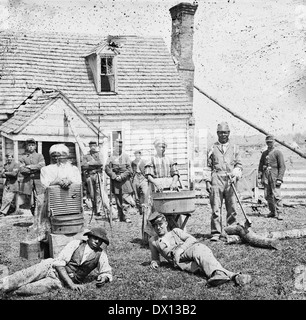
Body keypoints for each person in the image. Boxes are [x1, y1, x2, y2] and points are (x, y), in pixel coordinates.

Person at [148, 212, 252, 287]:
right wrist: (154, 262)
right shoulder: (154, 241)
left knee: (201, 258)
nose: (158, 228)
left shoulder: (175, 231)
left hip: (187, 251)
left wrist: (181, 249)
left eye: (160, 224)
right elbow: (155, 258)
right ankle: (235, 276)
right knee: (201, 257)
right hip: (178, 260)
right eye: (155, 226)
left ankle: (232, 276)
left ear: (166, 223)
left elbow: (191, 239)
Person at [0, 227, 112, 296]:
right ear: (89, 237)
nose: (97, 241)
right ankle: (3, 285)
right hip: (50, 267)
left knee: (28, 290)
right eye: (95, 238)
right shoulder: (76, 244)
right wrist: (72, 284)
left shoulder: (100, 254)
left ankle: (11, 292)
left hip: (60, 281)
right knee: (25, 275)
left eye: (100, 240)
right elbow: (59, 264)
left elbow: (106, 271)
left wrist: (104, 278)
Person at [204, 122, 243, 242]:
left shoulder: (235, 147)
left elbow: (239, 164)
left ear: (229, 133)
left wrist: (235, 174)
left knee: (232, 207)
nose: (223, 135)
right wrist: (207, 181)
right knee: (216, 208)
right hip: (216, 178)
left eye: (225, 132)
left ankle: (231, 231)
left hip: (231, 180)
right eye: (220, 133)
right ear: (217, 134)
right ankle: (216, 232)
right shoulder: (212, 148)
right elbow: (207, 166)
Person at [143, 137, 181, 238]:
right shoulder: (151, 160)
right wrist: (156, 182)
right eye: (160, 147)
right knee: (155, 210)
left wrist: (174, 182)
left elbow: (175, 173)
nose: (162, 149)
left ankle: (174, 233)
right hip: (156, 187)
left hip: (169, 187)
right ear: (156, 147)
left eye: (164, 147)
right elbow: (148, 175)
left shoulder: (169, 159)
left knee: (172, 209)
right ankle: (154, 235)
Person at [105, 139, 135, 223]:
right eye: (117, 146)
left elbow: (129, 170)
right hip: (115, 181)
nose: (119, 148)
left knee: (125, 199)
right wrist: (114, 176)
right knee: (118, 199)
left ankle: (126, 216)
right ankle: (120, 216)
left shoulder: (126, 156)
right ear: (114, 147)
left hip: (125, 181)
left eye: (120, 146)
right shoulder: (111, 157)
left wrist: (121, 176)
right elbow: (107, 169)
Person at [258, 135, 286, 220]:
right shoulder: (264, 153)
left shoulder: (278, 153)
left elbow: (282, 166)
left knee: (277, 195)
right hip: (266, 177)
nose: (269, 143)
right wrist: (260, 175)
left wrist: (279, 179)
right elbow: (261, 164)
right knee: (267, 195)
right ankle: (272, 212)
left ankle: (280, 212)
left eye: (271, 142)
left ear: (274, 142)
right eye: (268, 142)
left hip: (275, 177)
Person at [19, 138, 46, 216]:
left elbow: (42, 165)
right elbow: (22, 169)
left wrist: (29, 167)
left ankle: (41, 214)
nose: (31, 147)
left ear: (35, 146)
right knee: (29, 199)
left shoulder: (39, 156)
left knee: (40, 197)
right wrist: (35, 168)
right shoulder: (23, 157)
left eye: (32, 145)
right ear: (27, 147)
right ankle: (34, 215)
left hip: (38, 180)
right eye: (29, 145)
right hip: (28, 181)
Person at [81, 141, 107, 216]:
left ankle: (98, 210)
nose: (93, 147)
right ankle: (94, 209)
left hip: (97, 175)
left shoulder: (99, 154)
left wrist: (90, 163)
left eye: (94, 146)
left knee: (98, 193)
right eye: (91, 145)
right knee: (92, 193)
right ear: (89, 146)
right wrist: (93, 163)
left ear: (96, 146)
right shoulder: (86, 155)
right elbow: (83, 166)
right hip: (89, 176)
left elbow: (101, 163)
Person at [131, 149, 149, 215]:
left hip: (142, 177)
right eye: (136, 154)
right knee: (136, 194)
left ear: (140, 155)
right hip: (136, 176)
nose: (137, 156)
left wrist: (146, 177)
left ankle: (145, 208)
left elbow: (146, 170)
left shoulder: (144, 162)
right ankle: (139, 209)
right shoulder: (133, 162)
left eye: (138, 154)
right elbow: (131, 170)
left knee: (145, 192)